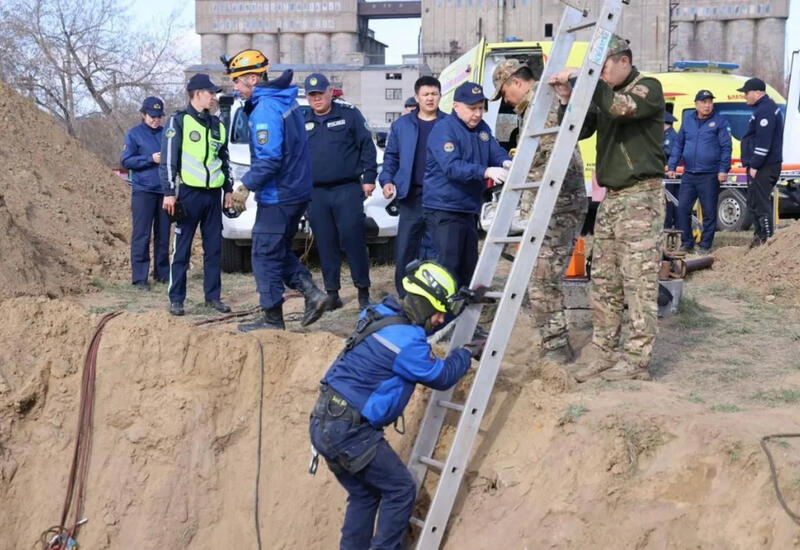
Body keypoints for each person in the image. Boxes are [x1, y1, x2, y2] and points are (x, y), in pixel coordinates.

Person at [308, 260, 484, 550]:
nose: (440, 320)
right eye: (438, 313)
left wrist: (459, 307)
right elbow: (442, 376)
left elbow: (415, 331)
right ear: (425, 306)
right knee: (401, 490)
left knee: (365, 495)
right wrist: (465, 352)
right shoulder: (408, 344)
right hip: (351, 431)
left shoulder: (377, 314)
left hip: (324, 420)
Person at [550, 35, 665, 382]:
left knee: (638, 280)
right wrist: (567, 98)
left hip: (641, 197)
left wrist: (583, 78)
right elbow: (577, 130)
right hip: (612, 198)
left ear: (624, 61)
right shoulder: (604, 93)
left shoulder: (648, 88)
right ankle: (604, 351)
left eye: (602, 67)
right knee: (604, 279)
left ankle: (636, 360)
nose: (598, 75)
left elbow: (621, 108)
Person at [490, 58, 587, 364]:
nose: (506, 100)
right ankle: (552, 342)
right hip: (550, 205)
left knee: (542, 280)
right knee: (539, 278)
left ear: (516, 82)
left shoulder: (542, 108)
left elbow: (558, 159)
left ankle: (557, 350)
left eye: (505, 92)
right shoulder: (535, 108)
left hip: (559, 206)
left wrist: (524, 180)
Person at [224, 49, 330, 330]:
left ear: (253, 78)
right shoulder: (283, 100)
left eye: (237, 81)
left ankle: (273, 318)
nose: (234, 87)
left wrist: (245, 185)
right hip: (294, 191)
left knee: (263, 253)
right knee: (278, 248)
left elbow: (270, 158)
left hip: (280, 194)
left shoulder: (266, 110)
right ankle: (312, 293)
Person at [423, 81, 511, 289]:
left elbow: (493, 149)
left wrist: (505, 161)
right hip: (445, 208)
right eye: (472, 108)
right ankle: (443, 318)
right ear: (456, 106)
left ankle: (463, 317)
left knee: (468, 267)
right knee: (447, 268)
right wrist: (485, 171)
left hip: (468, 208)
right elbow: (452, 167)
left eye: (481, 108)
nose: (478, 114)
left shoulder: (481, 128)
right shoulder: (444, 130)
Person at [303, 73, 378, 310]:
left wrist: (369, 177)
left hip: (346, 189)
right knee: (325, 243)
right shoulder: (300, 118)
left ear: (329, 92)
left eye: (320, 94)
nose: (317, 99)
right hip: (316, 193)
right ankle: (332, 292)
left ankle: (363, 290)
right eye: (312, 95)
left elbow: (367, 145)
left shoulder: (348, 114)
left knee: (353, 239)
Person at [160, 74, 232, 316]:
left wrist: (229, 190)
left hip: (213, 195)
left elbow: (224, 159)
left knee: (214, 250)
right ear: (197, 93)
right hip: (189, 194)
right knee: (182, 248)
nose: (214, 97)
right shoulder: (178, 121)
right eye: (210, 93)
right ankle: (176, 298)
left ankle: (213, 297)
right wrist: (169, 192)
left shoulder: (218, 125)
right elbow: (168, 159)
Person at [380, 76, 447, 296]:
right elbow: (391, 157)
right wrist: (387, 180)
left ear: (440, 96)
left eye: (434, 94)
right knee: (406, 247)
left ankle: (434, 294)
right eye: (426, 94)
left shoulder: (448, 124)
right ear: (417, 97)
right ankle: (405, 294)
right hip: (410, 197)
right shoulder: (402, 125)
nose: (430, 98)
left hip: (439, 197)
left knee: (437, 248)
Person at [667, 90, 732, 253]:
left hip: (709, 174)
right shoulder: (688, 121)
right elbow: (678, 145)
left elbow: (726, 147)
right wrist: (672, 165)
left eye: (710, 102)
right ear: (696, 104)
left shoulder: (719, 122)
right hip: (689, 173)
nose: (707, 105)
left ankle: (705, 244)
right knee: (682, 208)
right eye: (704, 102)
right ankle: (687, 242)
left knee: (709, 211)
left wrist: (723, 169)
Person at [121, 96, 170, 290]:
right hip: (143, 191)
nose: (156, 119)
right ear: (143, 114)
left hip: (164, 191)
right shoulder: (134, 134)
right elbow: (126, 161)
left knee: (163, 235)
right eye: (152, 116)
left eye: (159, 116)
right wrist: (150, 159)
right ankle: (140, 277)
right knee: (141, 235)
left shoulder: (167, 133)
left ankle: (163, 274)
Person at [739, 77, 784, 247]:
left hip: (764, 166)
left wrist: (755, 164)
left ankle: (766, 239)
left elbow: (764, 141)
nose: (745, 96)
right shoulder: (765, 108)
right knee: (754, 201)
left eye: (747, 92)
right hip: (764, 165)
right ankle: (759, 237)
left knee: (760, 202)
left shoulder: (765, 110)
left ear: (757, 93)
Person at [662, 111, 679, 230]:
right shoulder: (666, 135)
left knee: (670, 199)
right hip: (666, 171)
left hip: (670, 172)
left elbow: (670, 153)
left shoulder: (671, 136)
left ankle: (669, 223)